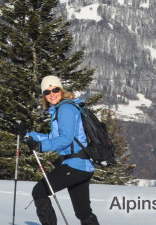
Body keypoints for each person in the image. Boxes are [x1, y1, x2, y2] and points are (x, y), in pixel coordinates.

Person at [21, 75, 100, 225]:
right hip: (82, 166)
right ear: (43, 95)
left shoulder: (66, 109)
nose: (52, 94)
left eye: (55, 89)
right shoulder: (63, 108)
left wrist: (39, 147)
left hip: (75, 166)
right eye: (47, 91)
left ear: (61, 90)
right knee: (83, 212)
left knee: (39, 192)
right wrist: (28, 135)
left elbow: (65, 139)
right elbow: (52, 137)